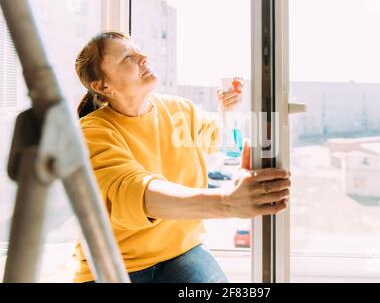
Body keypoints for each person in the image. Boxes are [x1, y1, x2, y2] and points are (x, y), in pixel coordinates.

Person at [74, 31, 291, 283]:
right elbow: (132, 191)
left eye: (139, 50)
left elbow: (215, 138)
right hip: (111, 266)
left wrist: (226, 111)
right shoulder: (92, 131)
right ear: (102, 86)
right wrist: (226, 202)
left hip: (180, 252)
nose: (144, 57)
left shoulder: (179, 110)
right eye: (128, 57)